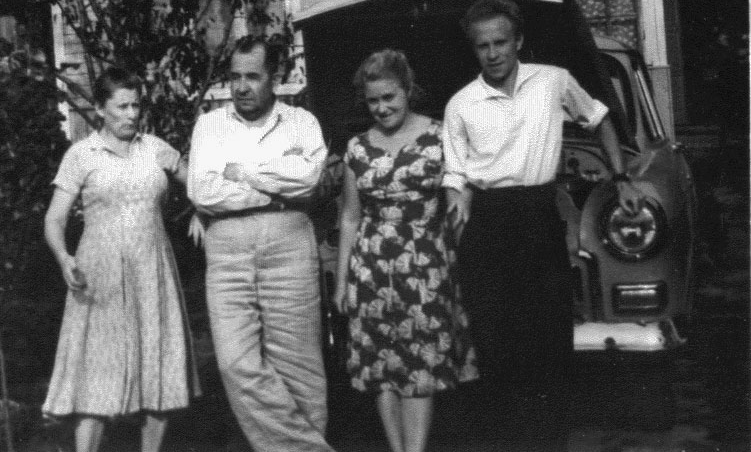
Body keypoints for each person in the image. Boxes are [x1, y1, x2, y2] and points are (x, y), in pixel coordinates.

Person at [442, 0, 643, 451]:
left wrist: (621, 178)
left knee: (549, 339)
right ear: (473, 49)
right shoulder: (461, 104)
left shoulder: (553, 80)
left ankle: (550, 442)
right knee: (495, 342)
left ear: (518, 41)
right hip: (487, 221)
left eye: (500, 42)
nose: (493, 53)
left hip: (538, 215)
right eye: (483, 46)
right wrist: (456, 217)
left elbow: (599, 118)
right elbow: (455, 177)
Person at [43, 66, 201, 452]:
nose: (132, 115)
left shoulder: (156, 148)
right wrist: (63, 257)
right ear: (100, 109)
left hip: (152, 273)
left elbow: (202, 183)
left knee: (158, 374)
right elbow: (54, 218)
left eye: (136, 106)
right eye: (122, 107)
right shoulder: (81, 155)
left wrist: (201, 209)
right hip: (99, 278)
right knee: (96, 378)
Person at [186, 37, 332, 452]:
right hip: (228, 249)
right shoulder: (209, 125)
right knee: (236, 364)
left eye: (252, 76)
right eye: (235, 77)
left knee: (298, 367)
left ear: (275, 76)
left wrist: (243, 172)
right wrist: (275, 189)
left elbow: (309, 179)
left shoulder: (301, 122)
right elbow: (202, 191)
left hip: (289, 244)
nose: (241, 87)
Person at [333, 49, 478, 452]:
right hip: (370, 268)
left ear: (408, 90)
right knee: (380, 366)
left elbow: (461, 193)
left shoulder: (439, 136)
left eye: (389, 97)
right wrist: (342, 282)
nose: (381, 108)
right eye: (373, 101)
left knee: (420, 365)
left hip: (425, 265)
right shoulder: (357, 148)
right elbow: (350, 217)